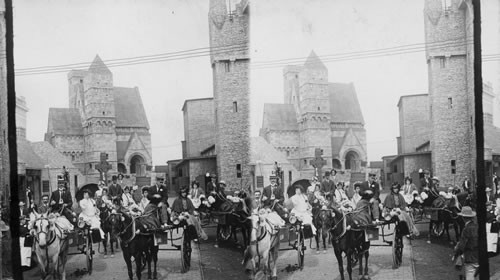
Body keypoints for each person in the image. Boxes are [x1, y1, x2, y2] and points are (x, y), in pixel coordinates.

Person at [453, 206, 478, 280]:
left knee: (470, 276)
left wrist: (456, 253)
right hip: (479, 256)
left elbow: (461, 246)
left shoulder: (466, 229)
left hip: (470, 256)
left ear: (463, 218)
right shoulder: (477, 226)